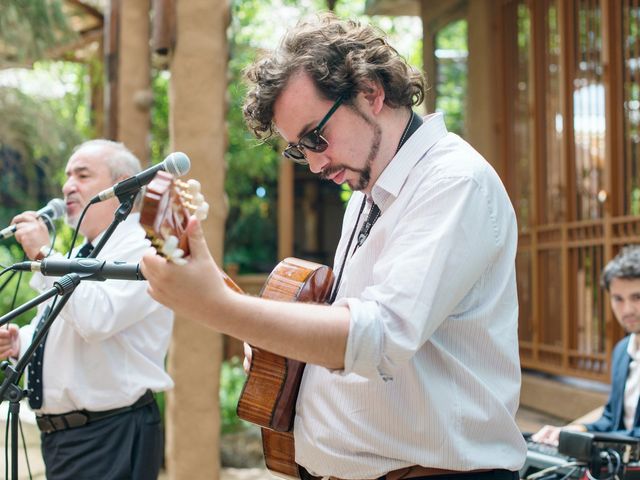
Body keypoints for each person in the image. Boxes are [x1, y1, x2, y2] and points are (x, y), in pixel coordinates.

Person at [141, 13, 526, 480]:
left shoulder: (453, 181)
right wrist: (267, 334)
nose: (315, 163)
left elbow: (378, 337)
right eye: (299, 149)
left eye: (315, 136)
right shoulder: (367, 194)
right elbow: (345, 328)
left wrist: (219, 307)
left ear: (370, 91)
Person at [0, 139, 173, 479]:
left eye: (82, 175)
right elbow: (60, 325)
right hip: (65, 439)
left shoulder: (146, 244)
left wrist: (43, 255)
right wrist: (20, 341)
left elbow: (97, 318)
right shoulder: (82, 251)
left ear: (122, 184)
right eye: (67, 176)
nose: (67, 186)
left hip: (111, 433)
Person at [532, 245, 640, 446]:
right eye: (618, 299)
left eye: (637, 297)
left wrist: (587, 441)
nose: (627, 310)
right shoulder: (622, 351)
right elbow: (611, 418)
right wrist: (572, 430)